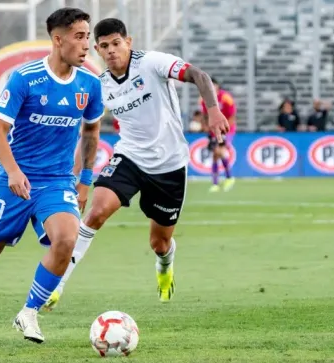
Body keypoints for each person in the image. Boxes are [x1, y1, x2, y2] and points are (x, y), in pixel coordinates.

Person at [42, 18, 229, 311]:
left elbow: (198, 75)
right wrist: (80, 176)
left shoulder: (152, 63)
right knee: (96, 213)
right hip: (129, 157)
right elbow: (86, 131)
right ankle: (56, 284)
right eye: (104, 46)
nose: (111, 51)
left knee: (160, 243)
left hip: (169, 165)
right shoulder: (100, 85)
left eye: (116, 43)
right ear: (97, 50)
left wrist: (214, 111)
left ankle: (165, 266)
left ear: (128, 42)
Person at [0, 7, 103, 346]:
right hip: (14, 179)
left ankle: (29, 312)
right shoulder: (24, 78)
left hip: (57, 181)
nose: (86, 44)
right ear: (58, 40)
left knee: (67, 240)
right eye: (79, 36)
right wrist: (13, 171)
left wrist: (85, 179)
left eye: (87, 36)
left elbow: (91, 132)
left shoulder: (89, 83)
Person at [200, 78, 236, 192]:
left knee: (218, 151)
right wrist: (206, 126)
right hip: (213, 130)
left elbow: (232, 116)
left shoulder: (226, 98)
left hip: (226, 129)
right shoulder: (204, 99)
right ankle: (216, 183)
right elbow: (205, 115)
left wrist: (225, 131)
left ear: (218, 87)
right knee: (215, 155)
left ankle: (229, 177)